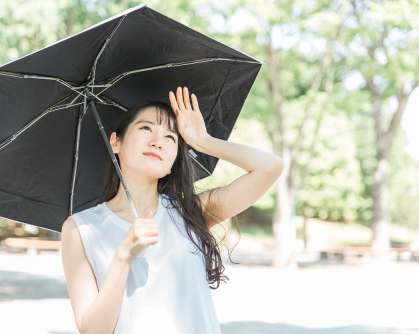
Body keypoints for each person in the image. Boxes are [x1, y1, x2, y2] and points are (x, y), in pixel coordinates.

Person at [61, 86, 284, 334]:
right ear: (116, 142)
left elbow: (270, 167)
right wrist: (123, 256)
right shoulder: (80, 229)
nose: (157, 142)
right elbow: (93, 331)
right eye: (146, 128)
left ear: (172, 163)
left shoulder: (191, 212)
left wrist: (202, 141)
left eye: (171, 137)